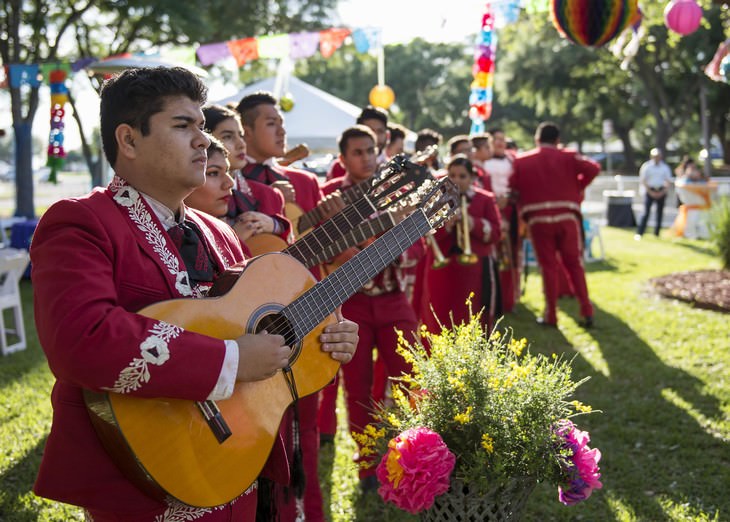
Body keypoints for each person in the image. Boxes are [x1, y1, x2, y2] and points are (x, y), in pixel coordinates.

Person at [29, 66, 358, 522]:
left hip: (234, 463)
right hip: (139, 480)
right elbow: (81, 339)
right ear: (128, 140)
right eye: (183, 126)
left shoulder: (218, 231)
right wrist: (230, 360)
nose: (203, 140)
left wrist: (325, 338)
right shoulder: (81, 221)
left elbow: (249, 329)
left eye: (202, 126)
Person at [235, 90, 343, 521]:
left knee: (305, 429)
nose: (282, 130)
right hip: (251, 321)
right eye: (270, 123)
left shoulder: (305, 181)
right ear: (244, 132)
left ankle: (309, 512)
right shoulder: (226, 182)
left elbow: (318, 250)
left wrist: (336, 221)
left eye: (282, 121)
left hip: (305, 306)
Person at [321, 125, 424, 491]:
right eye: (357, 152)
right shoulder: (331, 198)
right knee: (357, 387)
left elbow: (415, 247)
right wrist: (357, 248)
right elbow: (327, 254)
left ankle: (416, 460)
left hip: (395, 299)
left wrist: (383, 245)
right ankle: (366, 468)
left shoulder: (396, 192)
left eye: (370, 151)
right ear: (342, 159)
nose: (366, 158)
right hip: (352, 304)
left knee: (413, 380)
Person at [510, 121, 600, 328]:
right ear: (557, 140)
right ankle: (587, 311)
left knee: (548, 267)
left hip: (538, 219)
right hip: (566, 217)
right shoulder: (568, 156)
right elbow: (593, 168)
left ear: (537, 139)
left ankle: (551, 315)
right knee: (575, 264)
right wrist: (576, 188)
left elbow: (513, 187)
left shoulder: (522, 161)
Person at [420, 154, 501, 332]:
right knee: (439, 315)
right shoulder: (435, 200)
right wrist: (447, 225)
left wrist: (471, 223)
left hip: (476, 269)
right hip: (442, 269)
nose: (456, 180)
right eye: (452, 176)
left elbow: (496, 233)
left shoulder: (485, 198)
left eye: (462, 176)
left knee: (473, 315)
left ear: (472, 178)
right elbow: (427, 237)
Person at [201, 104, 291, 246]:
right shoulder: (194, 198)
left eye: (241, 135)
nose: (241, 144)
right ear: (204, 142)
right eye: (228, 136)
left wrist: (275, 226)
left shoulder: (270, 195)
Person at [483, 128, 521, 314]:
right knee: (493, 255)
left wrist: (509, 198)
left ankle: (509, 299)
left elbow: (519, 183)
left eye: (502, 139)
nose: (499, 142)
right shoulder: (483, 162)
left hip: (509, 210)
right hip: (489, 210)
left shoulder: (512, 160)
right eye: (495, 139)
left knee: (510, 256)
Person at [325, 105, 390, 181]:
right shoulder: (339, 167)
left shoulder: (394, 169)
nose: (375, 137)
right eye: (369, 131)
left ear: (387, 135)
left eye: (380, 131)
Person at [635, 148, 673, 239]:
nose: (657, 158)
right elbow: (643, 180)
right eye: (655, 156)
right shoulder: (647, 166)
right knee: (645, 212)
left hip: (661, 190)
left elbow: (668, 181)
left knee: (659, 213)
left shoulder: (664, 167)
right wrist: (650, 192)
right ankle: (640, 233)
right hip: (649, 190)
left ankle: (657, 233)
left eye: (658, 156)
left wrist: (662, 192)